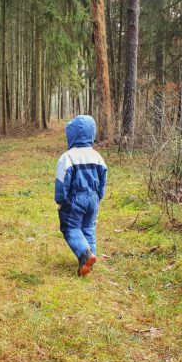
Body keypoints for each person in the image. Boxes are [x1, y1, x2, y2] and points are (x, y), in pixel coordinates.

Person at [55, 115, 107, 277]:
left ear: (71, 135)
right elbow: (103, 179)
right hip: (92, 198)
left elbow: (62, 182)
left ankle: (86, 255)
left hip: (75, 198)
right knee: (88, 228)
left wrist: (61, 199)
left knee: (70, 227)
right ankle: (90, 259)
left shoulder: (67, 157)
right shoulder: (97, 156)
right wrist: (98, 196)